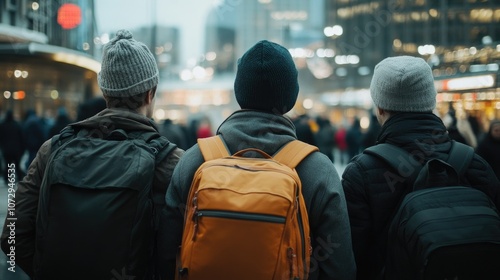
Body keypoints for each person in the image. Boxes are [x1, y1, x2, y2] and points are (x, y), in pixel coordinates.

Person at [158, 40, 356, 280]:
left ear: (239, 92)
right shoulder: (317, 169)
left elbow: (165, 254)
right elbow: (340, 266)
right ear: (290, 96)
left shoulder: (195, 159)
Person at [0, 29, 184, 279]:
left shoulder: (53, 149)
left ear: (105, 93)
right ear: (151, 93)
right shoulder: (172, 162)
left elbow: (12, 235)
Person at [341, 56, 500, 280]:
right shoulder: (474, 163)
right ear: (430, 101)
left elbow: (352, 256)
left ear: (379, 108)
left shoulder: (361, 173)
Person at [0, 109, 26, 182]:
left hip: (6, 149)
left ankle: (7, 178)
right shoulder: (16, 125)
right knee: (17, 165)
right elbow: (21, 137)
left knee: (8, 164)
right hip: (16, 149)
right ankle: (19, 178)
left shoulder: (3, 125)